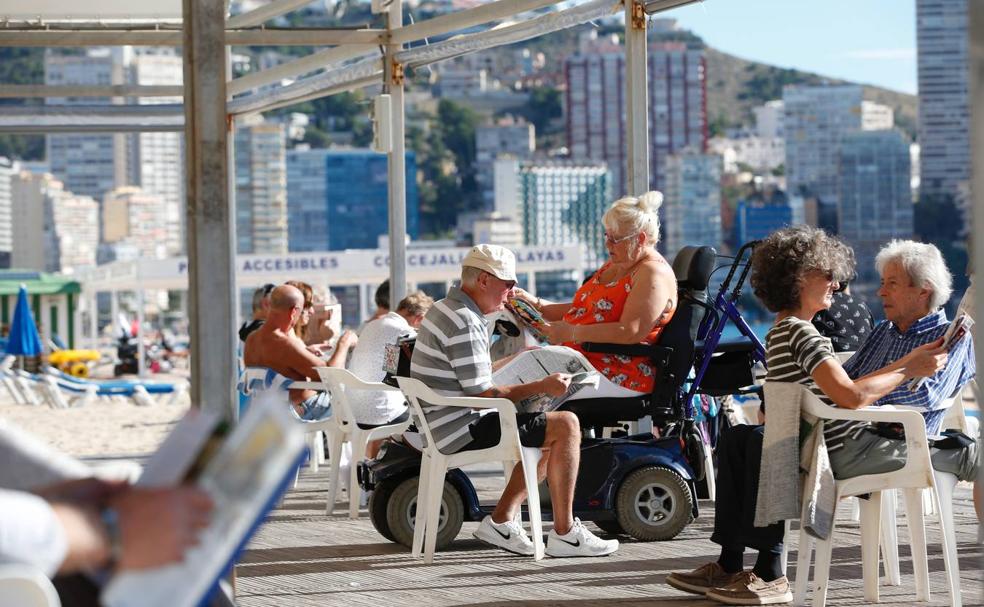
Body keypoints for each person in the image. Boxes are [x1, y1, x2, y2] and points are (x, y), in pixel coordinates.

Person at [666, 228, 976, 605]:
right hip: (849, 430)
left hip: (885, 439)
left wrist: (876, 384)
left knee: (759, 441)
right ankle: (736, 563)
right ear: (798, 280)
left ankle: (766, 569)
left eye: (890, 284)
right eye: (827, 274)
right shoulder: (868, 333)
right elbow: (852, 389)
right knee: (742, 438)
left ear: (922, 290)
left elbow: (897, 393)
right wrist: (905, 367)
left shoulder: (947, 338)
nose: (875, 291)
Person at [410, 244, 618, 558]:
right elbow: (482, 394)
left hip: (445, 421)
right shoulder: (466, 320)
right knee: (567, 425)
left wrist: (517, 360)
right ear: (483, 281)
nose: (511, 292)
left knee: (552, 430)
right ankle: (564, 534)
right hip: (460, 427)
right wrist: (542, 384)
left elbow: (469, 376)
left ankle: (503, 519)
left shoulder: (445, 308)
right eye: (507, 284)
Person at [513, 191, 677, 399]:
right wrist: (537, 305)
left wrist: (571, 333)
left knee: (519, 389)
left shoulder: (652, 273)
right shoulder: (620, 262)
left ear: (641, 238)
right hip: (585, 361)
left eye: (616, 239)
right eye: (607, 236)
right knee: (515, 366)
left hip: (619, 372)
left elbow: (630, 331)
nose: (608, 244)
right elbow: (587, 309)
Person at [244, 285, 355, 420]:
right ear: (293, 312)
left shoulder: (252, 339)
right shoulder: (285, 344)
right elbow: (331, 376)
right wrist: (344, 342)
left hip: (263, 412)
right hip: (294, 413)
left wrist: (305, 352)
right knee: (353, 399)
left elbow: (280, 365)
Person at [347, 291, 434, 458]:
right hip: (377, 411)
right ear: (420, 318)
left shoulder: (374, 324)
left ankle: (373, 461)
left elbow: (389, 367)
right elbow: (419, 368)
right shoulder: (402, 330)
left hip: (353, 408)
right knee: (425, 419)